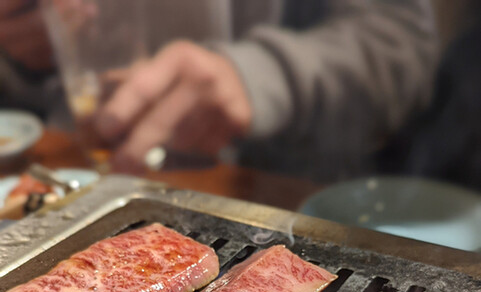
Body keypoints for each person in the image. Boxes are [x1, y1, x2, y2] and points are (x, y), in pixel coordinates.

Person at [0, 0, 439, 181]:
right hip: (69, 170)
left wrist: (262, 76)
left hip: (264, 188)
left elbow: (403, 45)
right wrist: (19, 52)